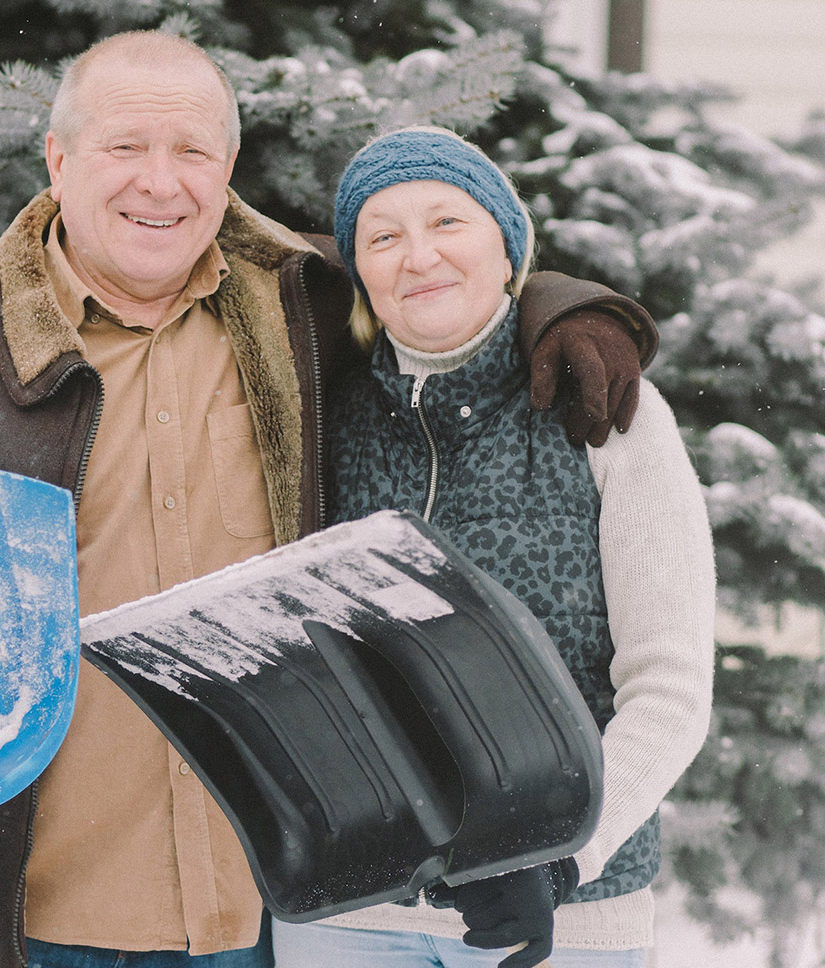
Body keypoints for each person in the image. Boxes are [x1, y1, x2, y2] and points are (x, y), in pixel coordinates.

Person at [0, 33, 660, 968]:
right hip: (4, 922)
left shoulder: (304, 307)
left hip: (263, 921)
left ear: (228, 168)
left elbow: (441, 277)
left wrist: (570, 311)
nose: (161, 184)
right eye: (125, 148)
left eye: (192, 152)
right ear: (58, 159)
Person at [268, 127, 716, 968]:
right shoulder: (325, 411)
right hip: (348, 918)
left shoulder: (605, 411)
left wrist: (560, 859)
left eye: (449, 222)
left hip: (561, 922)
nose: (419, 256)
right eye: (383, 236)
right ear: (357, 272)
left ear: (508, 249)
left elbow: (671, 685)